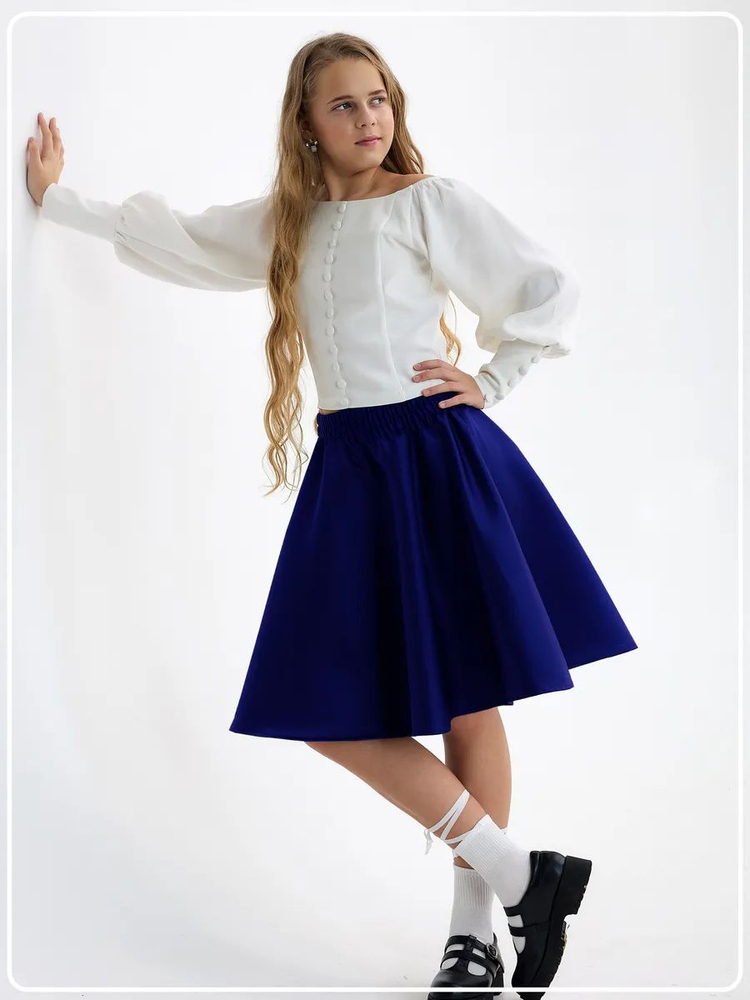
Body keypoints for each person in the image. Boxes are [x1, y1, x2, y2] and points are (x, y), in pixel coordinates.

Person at [26, 31, 637, 1000]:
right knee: (322, 707)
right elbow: (184, 238)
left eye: (378, 99)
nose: (367, 119)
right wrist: (59, 200)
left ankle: (474, 937)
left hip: (437, 455)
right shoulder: (290, 221)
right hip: (352, 469)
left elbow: (544, 289)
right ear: (307, 124)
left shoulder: (428, 201)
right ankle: (526, 876)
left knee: (468, 697)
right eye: (344, 104)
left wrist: (491, 380)